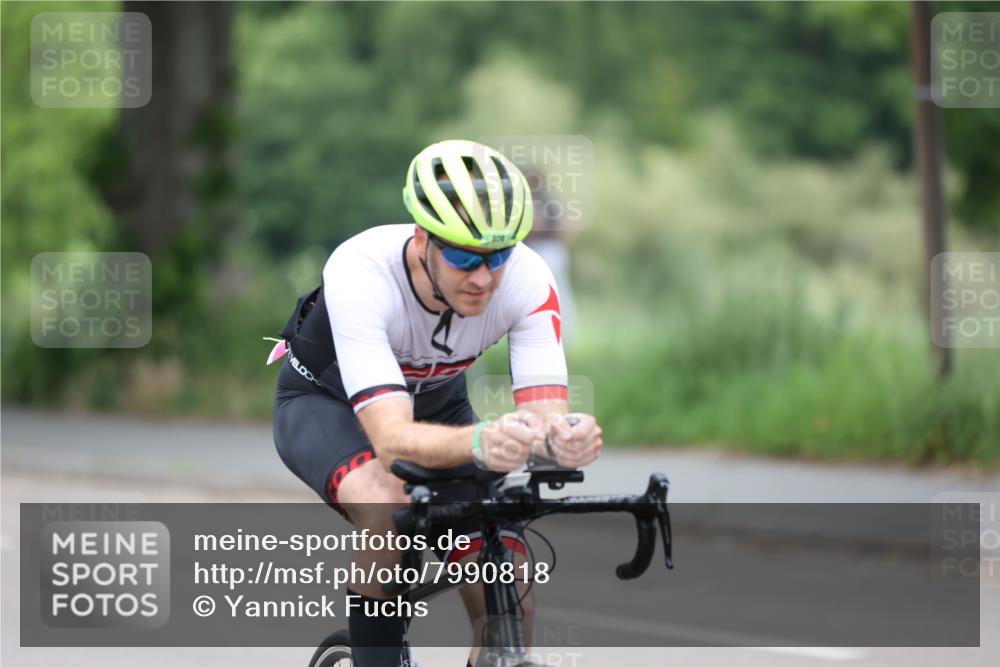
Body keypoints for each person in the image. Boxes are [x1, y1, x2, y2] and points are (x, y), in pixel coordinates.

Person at [269, 139, 603, 667]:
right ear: (422, 238)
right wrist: (483, 441)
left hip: (439, 409)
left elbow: (545, 418)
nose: (482, 277)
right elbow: (392, 439)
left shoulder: (528, 278)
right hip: (327, 405)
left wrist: (563, 438)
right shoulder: (361, 272)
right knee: (388, 503)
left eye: (496, 257)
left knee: (508, 582)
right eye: (464, 257)